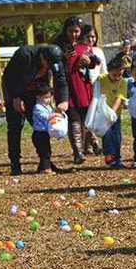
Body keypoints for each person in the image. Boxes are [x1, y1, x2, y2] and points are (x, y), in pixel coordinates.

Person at [1, 44, 69, 175]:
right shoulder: (24, 55)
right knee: (15, 126)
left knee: (42, 126)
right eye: (47, 63)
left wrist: (64, 100)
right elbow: (10, 76)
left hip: (34, 92)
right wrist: (16, 97)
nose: (49, 67)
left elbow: (61, 80)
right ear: (42, 56)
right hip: (15, 89)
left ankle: (45, 162)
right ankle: (15, 163)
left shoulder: (55, 61)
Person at [53, 16, 99, 164]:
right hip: (68, 87)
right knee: (74, 119)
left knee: (87, 116)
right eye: (71, 31)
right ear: (65, 30)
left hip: (83, 86)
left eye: (77, 31)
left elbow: (94, 62)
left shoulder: (83, 46)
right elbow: (57, 69)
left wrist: (89, 60)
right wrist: (66, 59)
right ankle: (78, 152)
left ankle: (94, 143)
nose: (74, 34)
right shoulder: (59, 47)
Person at [80, 24, 107, 156]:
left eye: (93, 36)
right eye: (88, 36)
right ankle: (95, 143)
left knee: (93, 115)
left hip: (96, 87)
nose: (91, 39)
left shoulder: (98, 52)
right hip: (83, 87)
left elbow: (104, 71)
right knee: (86, 115)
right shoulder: (80, 51)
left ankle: (87, 145)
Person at [99, 58, 127, 168]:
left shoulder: (122, 82)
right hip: (103, 113)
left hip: (115, 114)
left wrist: (112, 112)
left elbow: (119, 98)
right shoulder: (101, 79)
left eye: (119, 75)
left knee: (116, 136)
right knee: (106, 134)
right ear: (108, 71)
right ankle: (109, 155)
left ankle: (117, 158)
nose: (117, 78)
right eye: (114, 75)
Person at [31, 84, 62, 174]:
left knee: (46, 151)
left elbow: (52, 116)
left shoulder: (47, 106)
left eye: (49, 97)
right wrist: (54, 115)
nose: (48, 100)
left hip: (45, 133)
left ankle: (44, 167)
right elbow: (45, 117)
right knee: (44, 152)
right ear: (38, 97)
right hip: (39, 133)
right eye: (45, 97)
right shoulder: (37, 107)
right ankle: (46, 168)